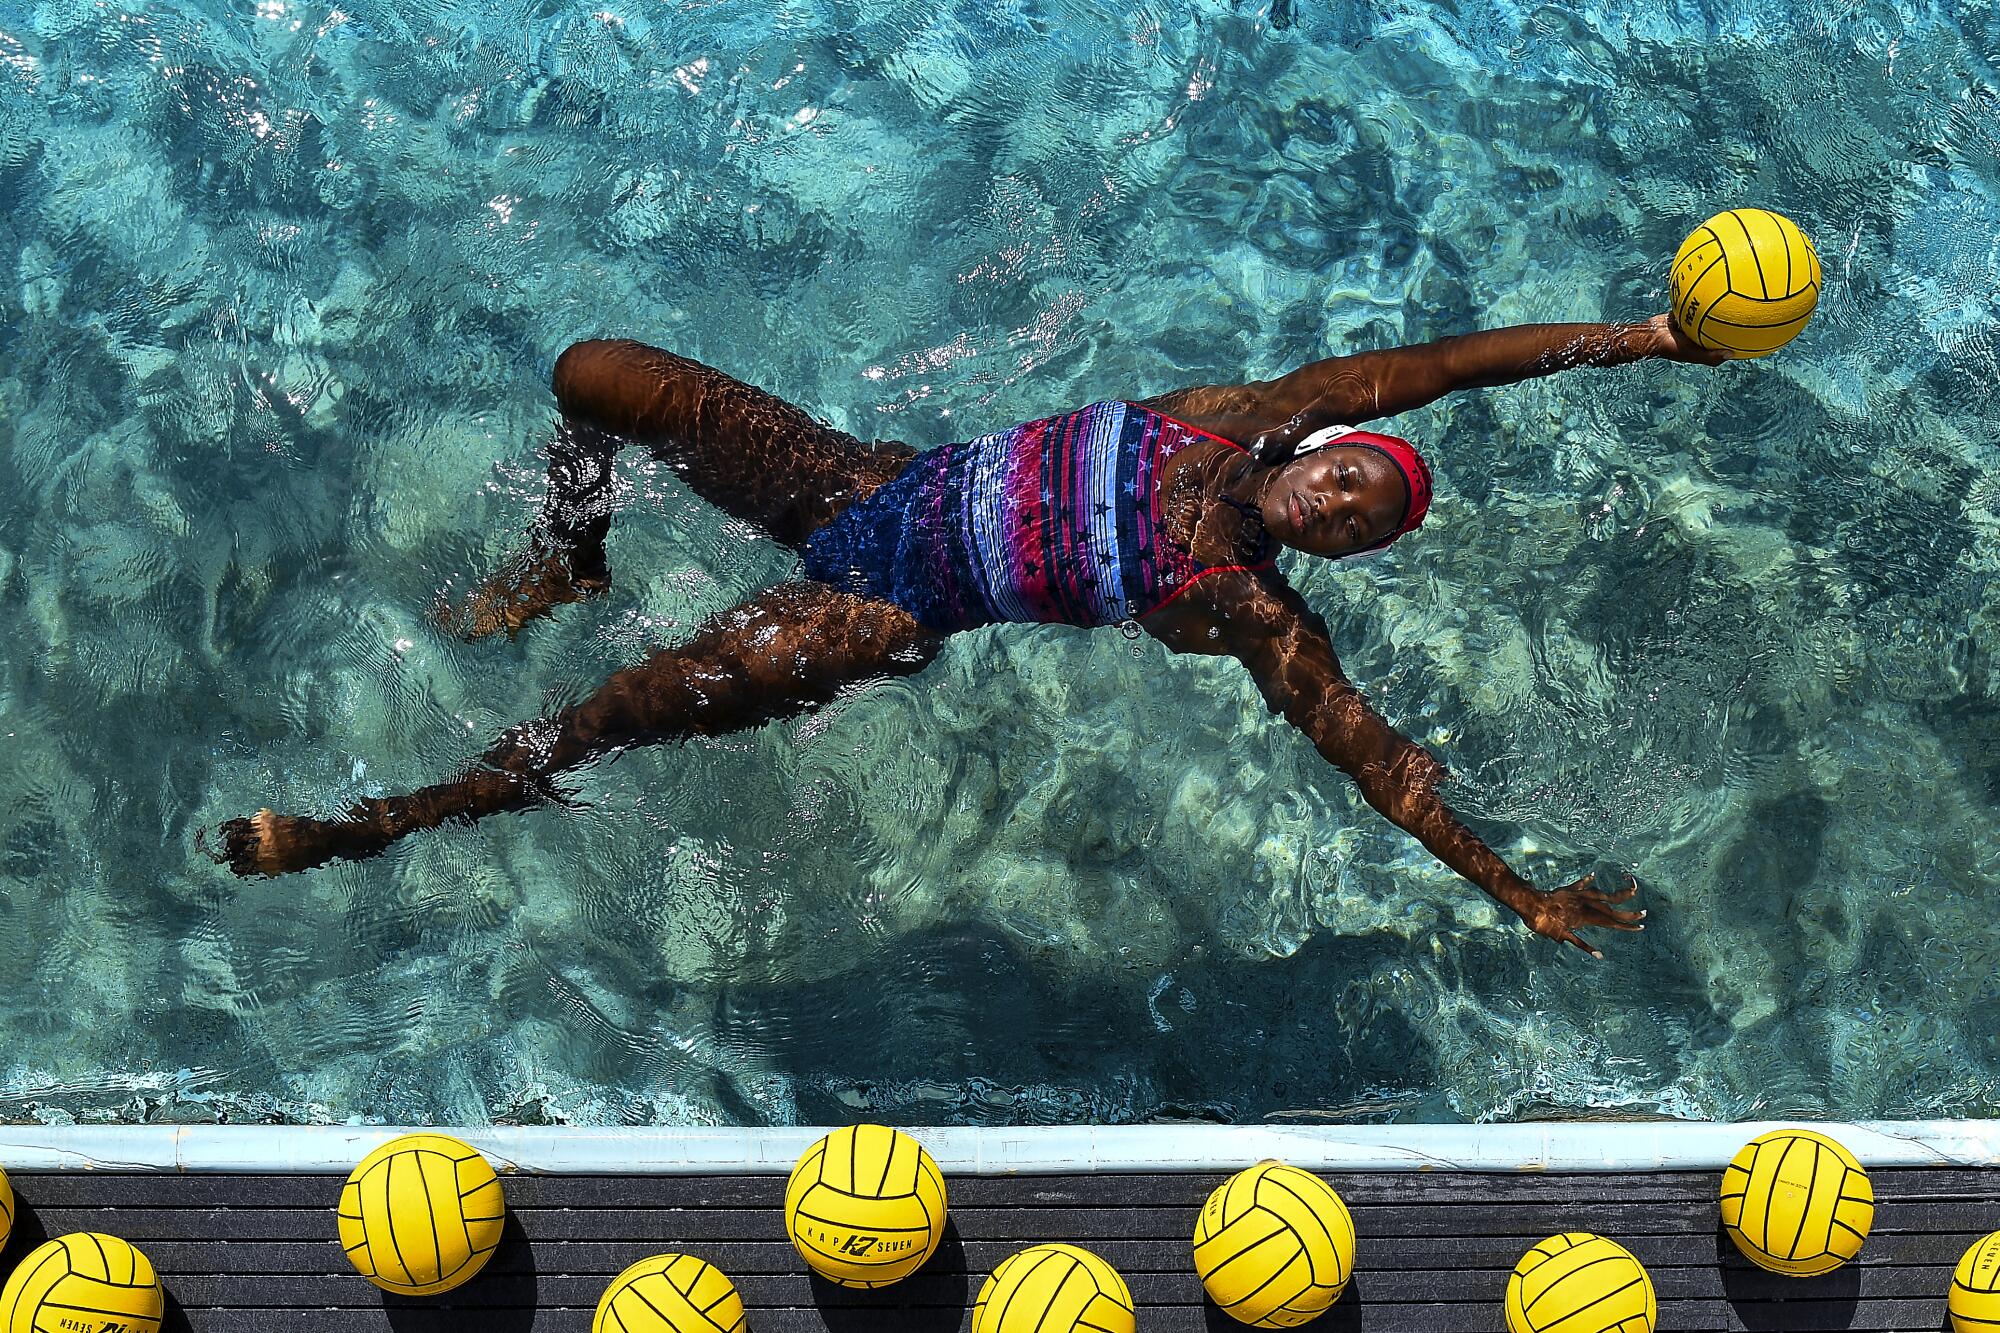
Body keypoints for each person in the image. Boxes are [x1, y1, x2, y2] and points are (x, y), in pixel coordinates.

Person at [208, 314, 1724, 957]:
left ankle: (385, 821)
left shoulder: (1246, 610)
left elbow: (1367, 760)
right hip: (855, 480)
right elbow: (1453, 366)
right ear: (1324, 441)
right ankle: (569, 553)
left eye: (1359, 522)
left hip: (870, 610)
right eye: (1351, 479)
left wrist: (1511, 886)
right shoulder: (1234, 411)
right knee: (595, 373)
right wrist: (1644, 338)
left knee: (615, 716)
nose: (1337, 505)